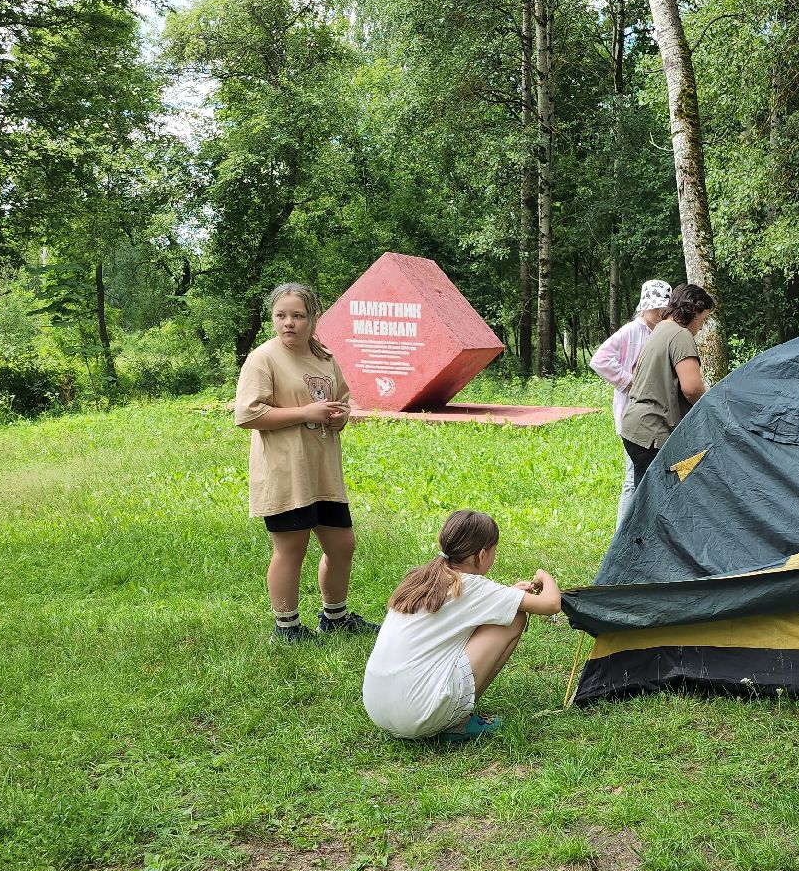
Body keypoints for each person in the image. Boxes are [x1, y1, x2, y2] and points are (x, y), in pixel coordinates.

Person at [235, 282, 379, 644]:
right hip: (285, 472)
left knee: (342, 545)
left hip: (322, 472)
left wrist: (339, 417)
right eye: (281, 315)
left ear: (314, 318)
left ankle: (335, 618)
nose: (289, 323)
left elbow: (341, 400)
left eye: (298, 315)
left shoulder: (324, 357)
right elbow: (247, 414)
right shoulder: (264, 358)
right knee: (291, 549)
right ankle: (286, 627)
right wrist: (306, 413)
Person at [362, 511, 562, 743]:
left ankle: (447, 712)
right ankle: (458, 721)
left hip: (377, 710)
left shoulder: (419, 579)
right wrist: (544, 576)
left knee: (503, 612)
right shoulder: (474, 586)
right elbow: (551, 604)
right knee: (514, 617)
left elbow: (465, 609)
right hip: (420, 714)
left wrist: (507, 594)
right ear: (482, 555)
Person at [590, 279, 672, 530]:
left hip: (657, 415)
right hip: (632, 415)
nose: (659, 313)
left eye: (663, 308)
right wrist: (630, 382)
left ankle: (648, 527)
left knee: (652, 473)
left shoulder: (664, 331)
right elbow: (600, 359)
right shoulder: (631, 332)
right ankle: (622, 533)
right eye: (655, 308)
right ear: (645, 307)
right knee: (632, 476)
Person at [621, 284, 716, 480]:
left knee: (646, 492)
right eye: (704, 319)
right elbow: (692, 389)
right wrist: (713, 410)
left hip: (636, 427)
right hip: (653, 431)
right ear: (693, 312)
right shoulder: (680, 335)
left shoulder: (660, 329)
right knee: (665, 491)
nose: (702, 326)